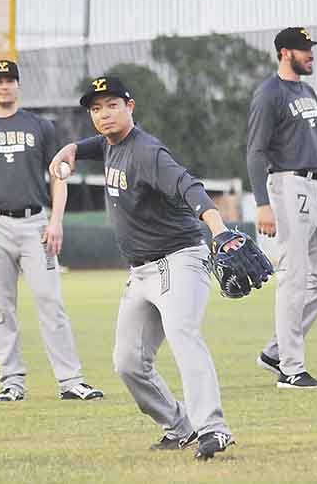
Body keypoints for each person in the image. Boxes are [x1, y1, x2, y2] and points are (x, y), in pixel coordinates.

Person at [49, 76, 236, 460]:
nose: (104, 114)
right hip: (141, 272)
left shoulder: (148, 151)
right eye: (96, 108)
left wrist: (219, 229)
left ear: (130, 107)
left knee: (183, 333)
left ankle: (213, 428)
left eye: (112, 105)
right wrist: (71, 147)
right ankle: (179, 427)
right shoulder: (108, 144)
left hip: (179, 260)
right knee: (128, 362)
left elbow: (189, 186)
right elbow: (97, 144)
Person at [0, 59, 103, 402]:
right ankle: (11, 382)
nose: (4, 86)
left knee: (50, 300)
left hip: (35, 221)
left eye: (10, 80)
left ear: (18, 85)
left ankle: (71, 381)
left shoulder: (41, 126)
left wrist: (56, 220)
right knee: (1, 306)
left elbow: (59, 175)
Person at [247, 27, 317, 390]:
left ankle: (276, 351)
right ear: (284, 52)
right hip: (286, 185)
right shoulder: (269, 94)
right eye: (303, 48)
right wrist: (262, 204)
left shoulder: (306, 92)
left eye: (311, 48)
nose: (311, 54)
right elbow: (255, 151)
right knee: (294, 277)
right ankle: (291, 370)